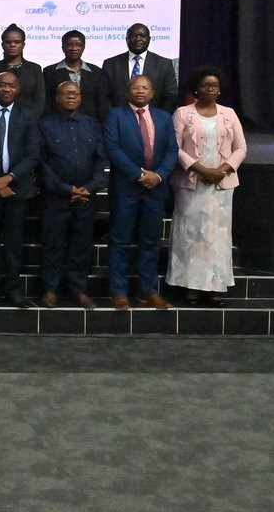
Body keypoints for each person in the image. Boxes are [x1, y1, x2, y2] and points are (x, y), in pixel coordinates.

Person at [167, 66, 248, 305]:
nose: (210, 89)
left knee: (217, 238)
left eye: (214, 86)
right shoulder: (183, 113)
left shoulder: (229, 113)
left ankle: (215, 287)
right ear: (196, 89)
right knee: (190, 236)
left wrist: (221, 171)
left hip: (221, 186)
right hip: (191, 183)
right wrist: (202, 170)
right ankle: (191, 288)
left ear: (220, 90)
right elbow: (174, 147)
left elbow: (241, 148)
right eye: (205, 85)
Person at [104, 74, 179, 309]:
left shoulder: (164, 117)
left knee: (150, 241)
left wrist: (158, 175)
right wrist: (138, 175)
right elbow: (112, 148)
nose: (140, 91)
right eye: (135, 87)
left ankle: (148, 291)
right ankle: (119, 292)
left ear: (152, 93)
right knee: (120, 240)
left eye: (145, 88)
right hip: (126, 187)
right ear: (128, 92)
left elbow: (172, 150)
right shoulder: (115, 115)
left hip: (156, 188)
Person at [38, 81, 107, 309]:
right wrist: (66, 189)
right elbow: (42, 163)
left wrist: (91, 187)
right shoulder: (45, 125)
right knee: (52, 244)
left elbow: (101, 160)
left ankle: (79, 290)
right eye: (66, 93)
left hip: (86, 197)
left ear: (81, 97)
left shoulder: (92, 125)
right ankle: (50, 290)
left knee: (81, 245)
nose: (71, 96)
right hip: (56, 197)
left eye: (75, 93)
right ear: (57, 97)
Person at [0, 71, 39, 308]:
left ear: (18, 89)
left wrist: (9, 179)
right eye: (2, 85)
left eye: (11, 86)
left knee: (14, 243)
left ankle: (13, 290)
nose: (6, 89)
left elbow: (33, 155)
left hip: (18, 190)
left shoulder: (28, 116)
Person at [101, 23, 179, 112]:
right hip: (118, 118)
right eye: (133, 36)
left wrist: (159, 117)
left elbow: (171, 97)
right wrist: (113, 117)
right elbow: (103, 97)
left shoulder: (164, 64)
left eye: (142, 35)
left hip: (154, 118)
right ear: (126, 39)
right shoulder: (110, 64)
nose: (138, 39)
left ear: (149, 39)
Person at [43, 30, 107, 121]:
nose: (74, 48)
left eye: (78, 45)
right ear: (63, 48)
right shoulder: (49, 72)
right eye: (69, 45)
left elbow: (101, 102)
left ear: (83, 48)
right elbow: (47, 102)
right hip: (58, 122)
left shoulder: (96, 71)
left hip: (90, 122)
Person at [0, 23, 44, 118]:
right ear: (2, 45)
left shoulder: (34, 69)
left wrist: (30, 120)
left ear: (23, 45)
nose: (12, 45)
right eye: (8, 42)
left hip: (27, 120)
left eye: (17, 42)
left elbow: (39, 100)